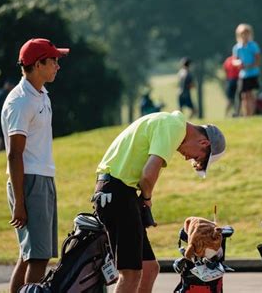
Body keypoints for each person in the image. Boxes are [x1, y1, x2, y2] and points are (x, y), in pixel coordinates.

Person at [92, 111, 226, 292]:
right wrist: (147, 199)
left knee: (149, 269)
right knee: (130, 274)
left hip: (120, 191)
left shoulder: (171, 122)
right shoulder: (174, 127)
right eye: (196, 157)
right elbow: (147, 177)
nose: (187, 158)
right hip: (117, 192)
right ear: (204, 143)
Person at [1, 38, 69, 292]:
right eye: (53, 61)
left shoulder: (41, 95)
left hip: (42, 179)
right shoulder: (20, 101)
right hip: (28, 181)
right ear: (38, 64)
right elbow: (14, 155)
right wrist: (19, 202)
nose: (57, 66)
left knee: (30, 255)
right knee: (38, 257)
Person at [232, 23, 262, 117]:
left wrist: (250, 66)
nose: (245, 35)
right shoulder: (237, 47)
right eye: (242, 34)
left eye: (246, 33)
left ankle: (251, 114)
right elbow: (234, 60)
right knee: (244, 96)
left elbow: (258, 60)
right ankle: (246, 115)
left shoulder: (253, 45)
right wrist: (239, 63)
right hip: (243, 74)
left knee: (250, 95)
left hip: (253, 73)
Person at [0, 80, 15, 151]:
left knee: (1, 136)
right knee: (2, 136)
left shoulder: (0, 92)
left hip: (0, 118)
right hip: (2, 118)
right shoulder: (3, 94)